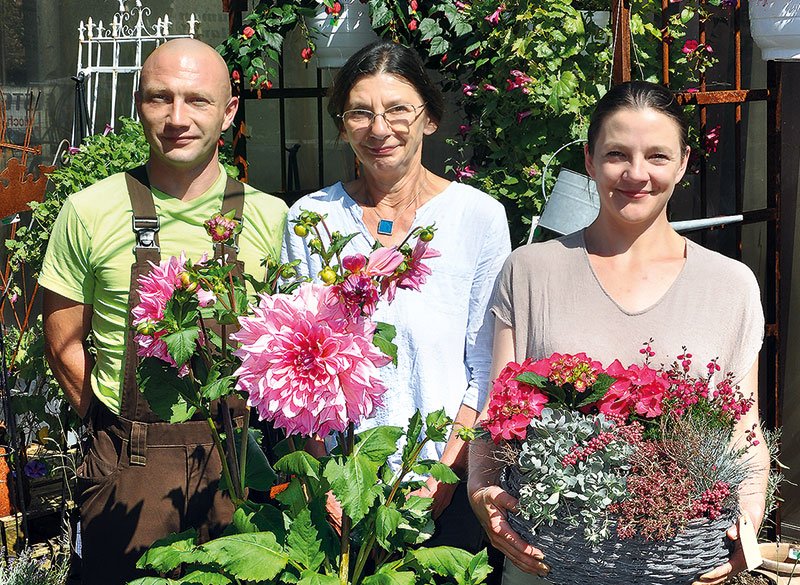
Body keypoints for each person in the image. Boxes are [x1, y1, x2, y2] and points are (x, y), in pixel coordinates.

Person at [467, 80, 769, 585]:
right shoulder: (529, 271)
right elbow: (498, 413)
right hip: (549, 566)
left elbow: (746, 430)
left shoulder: (730, 285)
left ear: (682, 162)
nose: (636, 174)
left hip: (681, 567)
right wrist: (482, 491)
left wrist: (750, 525)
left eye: (656, 155)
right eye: (616, 154)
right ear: (589, 160)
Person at [39, 38, 287, 584]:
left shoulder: (272, 219)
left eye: (197, 100)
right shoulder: (89, 211)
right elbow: (60, 342)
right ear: (139, 105)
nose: (178, 118)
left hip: (240, 469)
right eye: (160, 98)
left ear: (229, 112)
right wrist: (114, 436)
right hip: (128, 471)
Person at [281, 40, 511, 551]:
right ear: (342, 127)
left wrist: (445, 470)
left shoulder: (477, 217)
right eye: (360, 113)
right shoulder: (311, 220)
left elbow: (486, 360)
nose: (379, 129)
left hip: (445, 484)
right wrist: (328, 479)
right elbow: (295, 360)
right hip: (344, 482)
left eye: (398, 110)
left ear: (429, 118)